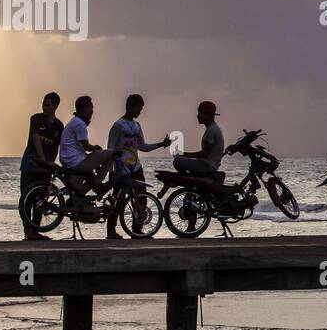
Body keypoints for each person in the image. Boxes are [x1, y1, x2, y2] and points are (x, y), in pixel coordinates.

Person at [105, 94, 171, 239]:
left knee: (141, 199)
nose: (139, 112)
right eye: (138, 109)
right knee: (118, 199)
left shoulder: (137, 125)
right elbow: (110, 149)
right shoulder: (118, 125)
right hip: (122, 168)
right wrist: (111, 170)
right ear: (129, 107)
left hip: (136, 167)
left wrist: (160, 144)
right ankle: (111, 231)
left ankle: (137, 229)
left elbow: (142, 146)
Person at [19, 92, 64, 241]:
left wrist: (50, 163)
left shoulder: (59, 125)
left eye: (48, 105)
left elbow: (56, 146)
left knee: (41, 200)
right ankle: (28, 231)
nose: (44, 107)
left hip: (45, 168)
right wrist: (43, 159)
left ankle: (36, 230)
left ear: (55, 106)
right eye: (43, 104)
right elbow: (36, 139)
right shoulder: (36, 119)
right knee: (27, 198)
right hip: (30, 164)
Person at [59, 96, 115, 198]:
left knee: (91, 175)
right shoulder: (80, 124)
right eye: (91, 108)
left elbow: (81, 148)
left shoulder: (74, 121)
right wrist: (96, 148)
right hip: (75, 162)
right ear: (85, 109)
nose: (92, 111)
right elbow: (86, 146)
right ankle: (98, 183)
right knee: (112, 153)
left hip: (69, 160)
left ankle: (80, 196)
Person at [173, 100, 226, 186]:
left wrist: (183, 154)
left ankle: (189, 182)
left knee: (177, 161)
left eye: (200, 113)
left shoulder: (211, 130)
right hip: (210, 165)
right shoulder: (213, 128)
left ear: (208, 115)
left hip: (208, 166)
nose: (198, 116)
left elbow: (204, 154)